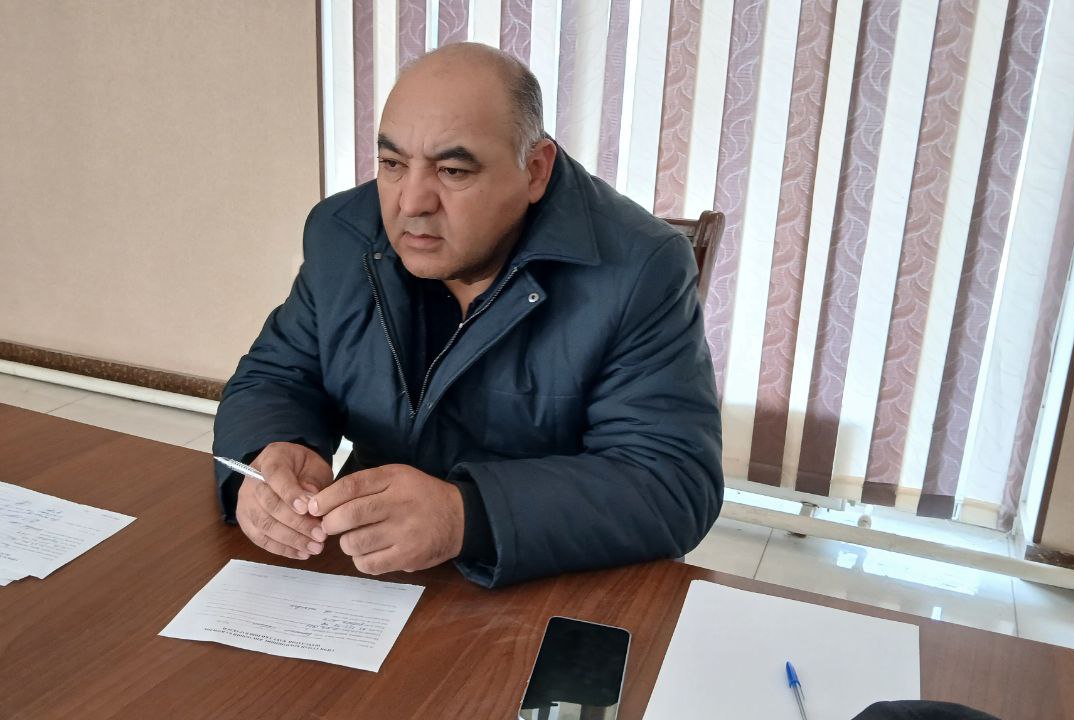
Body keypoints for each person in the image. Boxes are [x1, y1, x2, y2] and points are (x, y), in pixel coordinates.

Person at [212, 42, 722, 588]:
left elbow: (671, 482)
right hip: (371, 563)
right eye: (392, 164)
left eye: (452, 170)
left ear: (535, 170)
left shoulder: (641, 267)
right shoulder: (343, 233)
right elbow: (278, 375)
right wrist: (269, 452)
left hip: (542, 572)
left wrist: (466, 516)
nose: (411, 202)